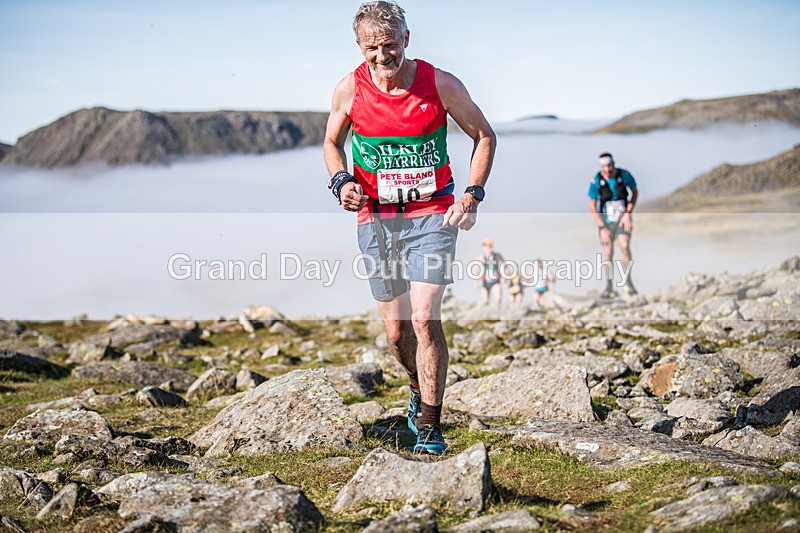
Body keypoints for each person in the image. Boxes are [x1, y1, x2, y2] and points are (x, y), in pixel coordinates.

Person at [323, 1, 496, 455]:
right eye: (371, 48)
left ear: (406, 39)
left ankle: (432, 426)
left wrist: (473, 193)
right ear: (359, 47)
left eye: (390, 45)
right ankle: (419, 386)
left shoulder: (439, 83)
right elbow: (331, 142)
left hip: (432, 217)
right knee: (398, 333)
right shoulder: (349, 89)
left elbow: (484, 136)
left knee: (424, 318)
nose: (383, 56)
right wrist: (341, 181)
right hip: (376, 220)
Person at [588, 152, 638, 298]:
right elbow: (592, 205)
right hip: (606, 221)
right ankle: (609, 286)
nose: (607, 169)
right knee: (608, 252)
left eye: (609, 165)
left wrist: (629, 212)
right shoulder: (596, 181)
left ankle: (628, 283)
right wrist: (602, 227)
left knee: (624, 246)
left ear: (613, 164)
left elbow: (634, 192)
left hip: (622, 218)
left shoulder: (624, 176)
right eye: (604, 166)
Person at [475, 239, 505, 305]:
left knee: (498, 299)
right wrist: (476, 282)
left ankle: (498, 312)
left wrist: (503, 277)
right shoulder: (481, 257)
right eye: (487, 247)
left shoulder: (497, 256)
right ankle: (487, 313)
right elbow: (475, 270)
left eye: (490, 246)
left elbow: (504, 265)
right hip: (485, 282)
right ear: (484, 248)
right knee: (486, 301)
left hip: (496, 281)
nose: (488, 249)